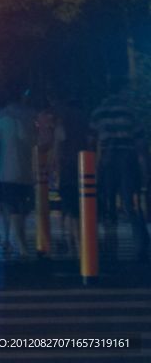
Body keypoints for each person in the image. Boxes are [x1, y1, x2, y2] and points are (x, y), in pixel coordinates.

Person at [90, 78, 150, 263]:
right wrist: (145, 171)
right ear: (121, 91)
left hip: (107, 160)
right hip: (127, 160)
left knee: (107, 204)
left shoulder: (98, 112)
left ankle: (110, 245)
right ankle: (141, 245)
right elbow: (140, 144)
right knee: (131, 204)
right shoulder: (129, 112)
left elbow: (91, 142)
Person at [0, 87, 35, 258]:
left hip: (6, 172)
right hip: (28, 172)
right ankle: (21, 244)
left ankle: (20, 244)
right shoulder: (31, 115)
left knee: (14, 208)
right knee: (23, 208)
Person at [54, 98, 90, 258]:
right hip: (84, 165)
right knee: (80, 207)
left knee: (69, 209)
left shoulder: (64, 119)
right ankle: (79, 243)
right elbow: (91, 142)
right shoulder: (84, 119)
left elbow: (59, 142)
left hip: (67, 166)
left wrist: (54, 166)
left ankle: (74, 244)